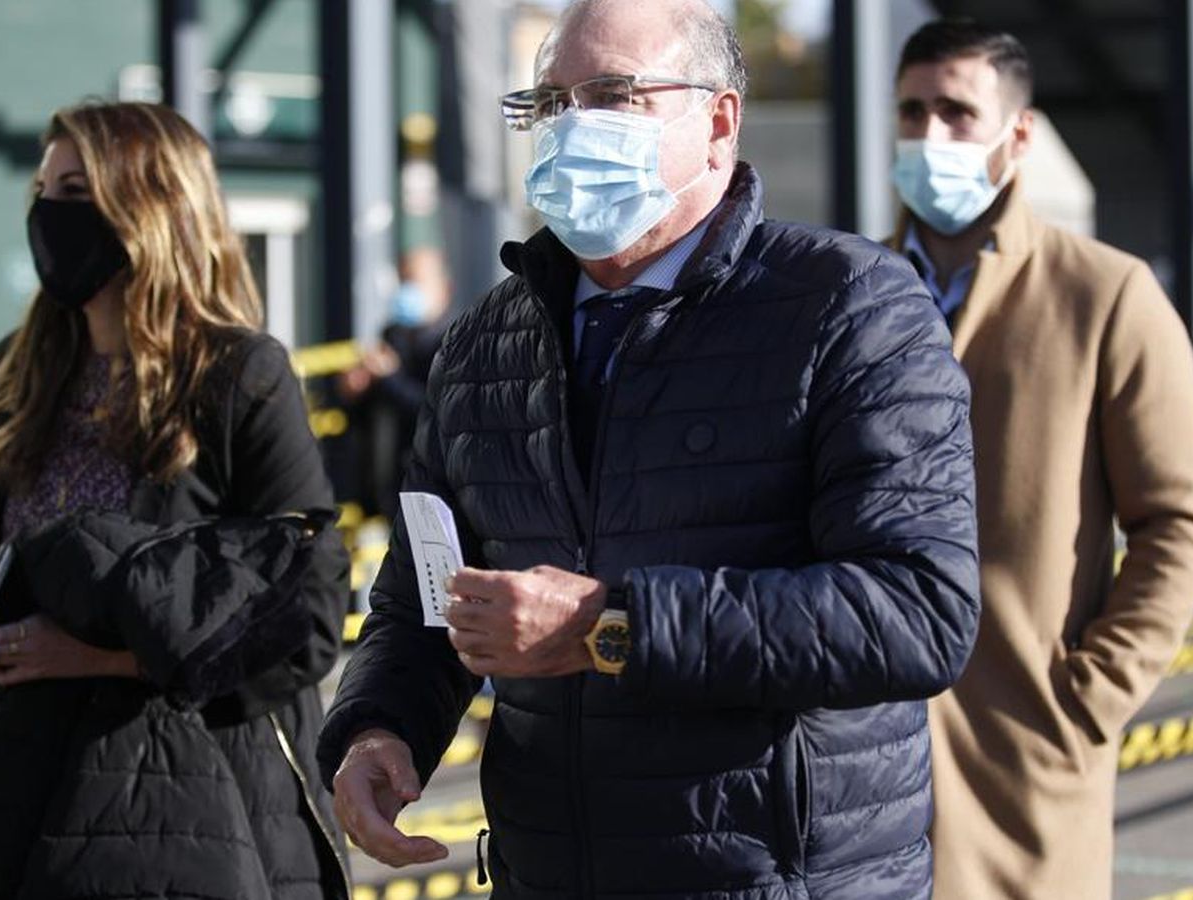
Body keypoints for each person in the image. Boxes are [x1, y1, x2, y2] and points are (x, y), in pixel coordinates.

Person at [317, 1, 981, 897]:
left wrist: (610, 626)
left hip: (779, 878)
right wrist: (376, 730)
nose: (571, 126)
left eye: (614, 94)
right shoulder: (486, 344)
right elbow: (429, 602)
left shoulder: (850, 307)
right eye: (550, 103)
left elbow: (918, 612)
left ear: (717, 124)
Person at [0, 101, 352, 900]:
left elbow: (311, 614)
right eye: (43, 188)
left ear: (148, 205)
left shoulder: (239, 376)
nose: (47, 212)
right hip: (24, 785)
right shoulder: (13, 376)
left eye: (75, 190)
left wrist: (97, 657)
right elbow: (1, 563)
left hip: (192, 797)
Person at [886, 21, 1193, 900]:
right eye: (912, 112)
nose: (929, 137)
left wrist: (1089, 698)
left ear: (1019, 135)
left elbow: (1176, 524)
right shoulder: (854, 292)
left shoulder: (1106, 296)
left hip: (1029, 755)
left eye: (958, 111)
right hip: (866, 764)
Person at [334, 247, 454, 517]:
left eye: (417, 281)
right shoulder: (392, 336)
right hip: (386, 486)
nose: (408, 290)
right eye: (404, 280)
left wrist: (389, 378)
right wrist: (357, 389)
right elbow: (372, 414)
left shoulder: (454, 343)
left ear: (445, 289)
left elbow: (435, 410)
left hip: (430, 489)